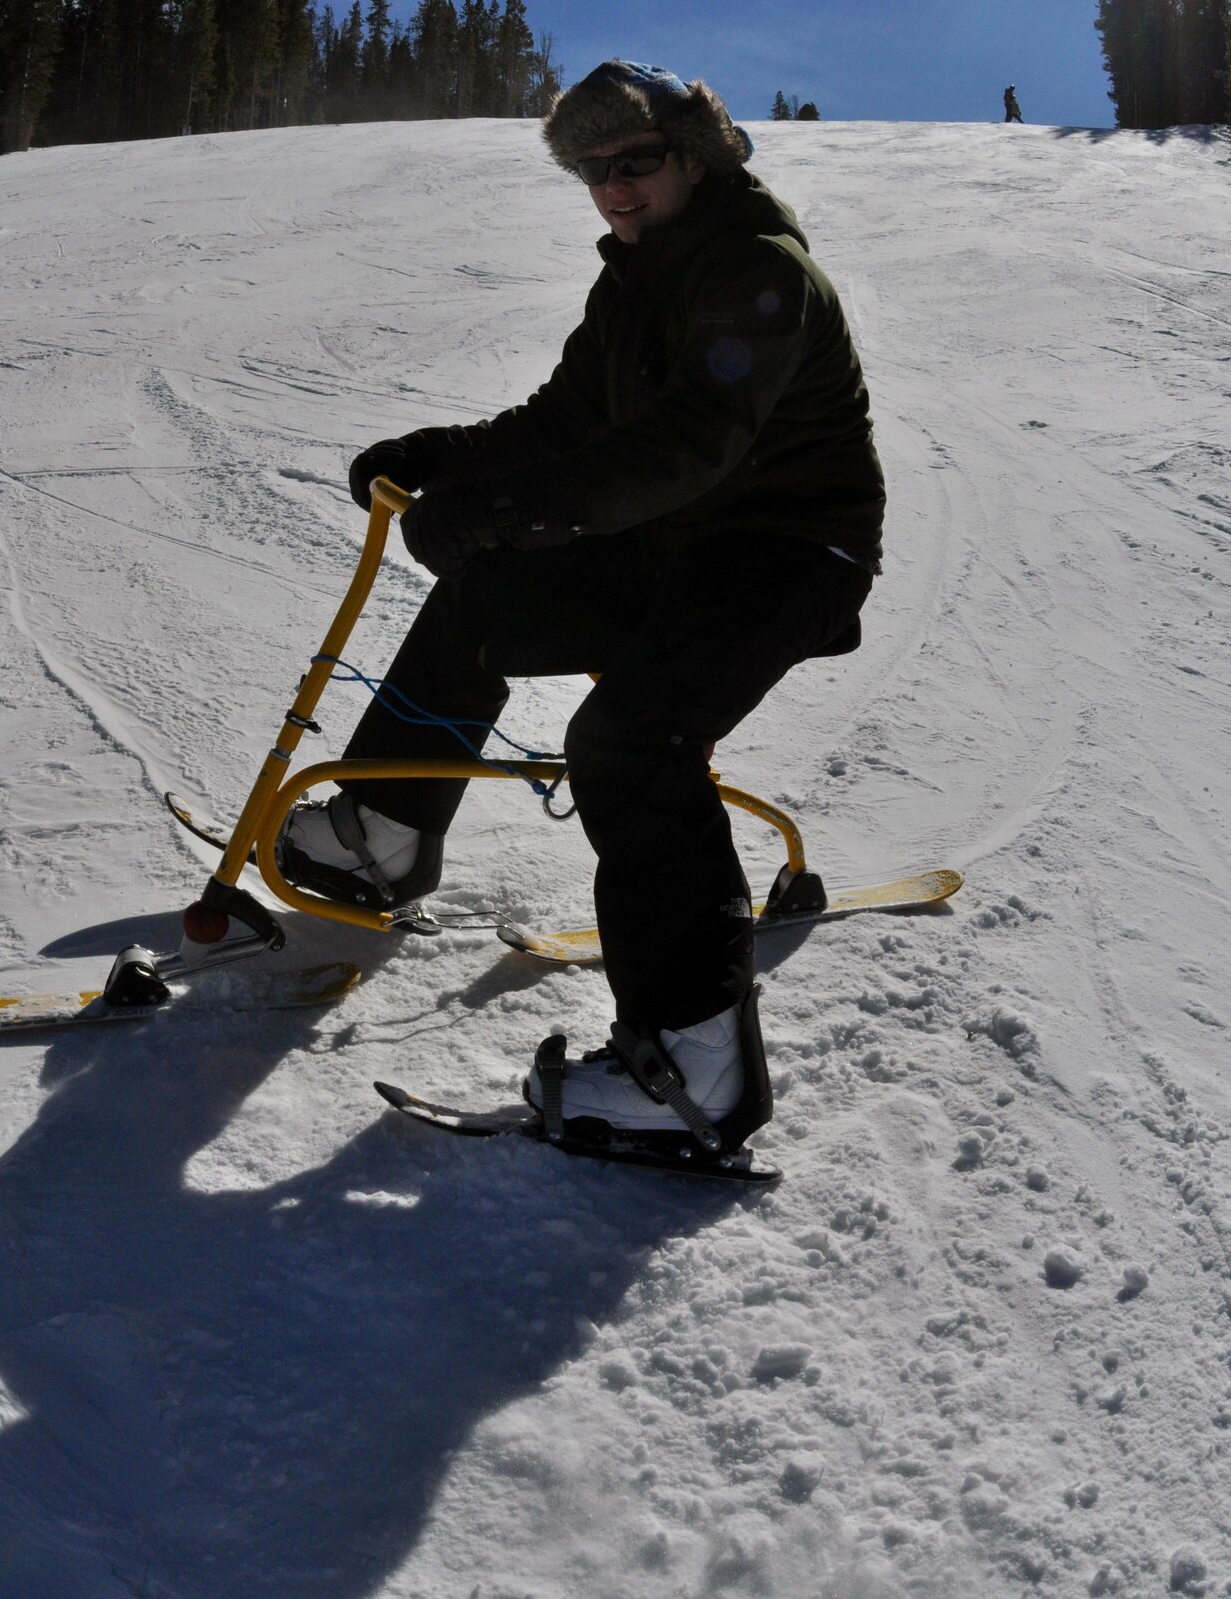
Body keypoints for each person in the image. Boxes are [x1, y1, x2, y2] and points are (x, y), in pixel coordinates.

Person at [268, 62, 885, 1157]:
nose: (614, 187)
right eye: (591, 169)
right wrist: (441, 461)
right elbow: (561, 420)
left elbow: (690, 442)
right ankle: (384, 835)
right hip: (674, 544)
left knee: (634, 738)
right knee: (485, 599)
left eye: (634, 160)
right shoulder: (632, 284)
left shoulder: (758, 272)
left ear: (693, 154)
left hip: (788, 550)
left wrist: (519, 507)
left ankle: (689, 1068)